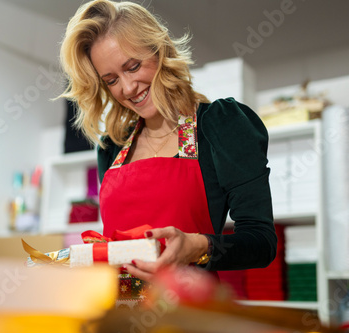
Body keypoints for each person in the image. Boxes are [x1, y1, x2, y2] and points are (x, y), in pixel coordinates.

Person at [59, 0, 277, 281]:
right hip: (119, 312)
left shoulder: (218, 126)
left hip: (185, 314)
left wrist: (197, 247)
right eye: (111, 80)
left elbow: (261, 242)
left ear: (159, 51)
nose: (127, 88)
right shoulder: (112, 146)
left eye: (133, 66)